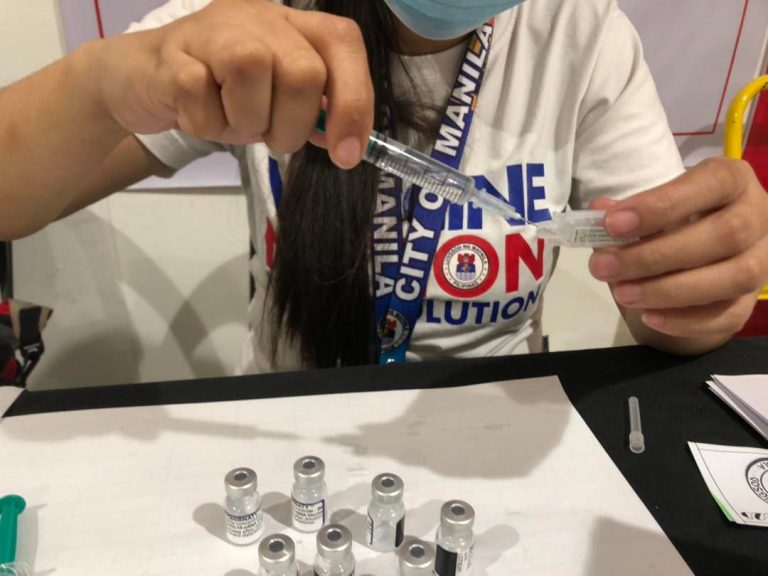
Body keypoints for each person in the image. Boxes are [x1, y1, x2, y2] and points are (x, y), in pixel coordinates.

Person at [0, 0, 767, 373]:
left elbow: (667, 300)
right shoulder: (254, 23)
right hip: (289, 429)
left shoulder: (581, 32)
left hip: (503, 434)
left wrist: (703, 286)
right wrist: (101, 82)